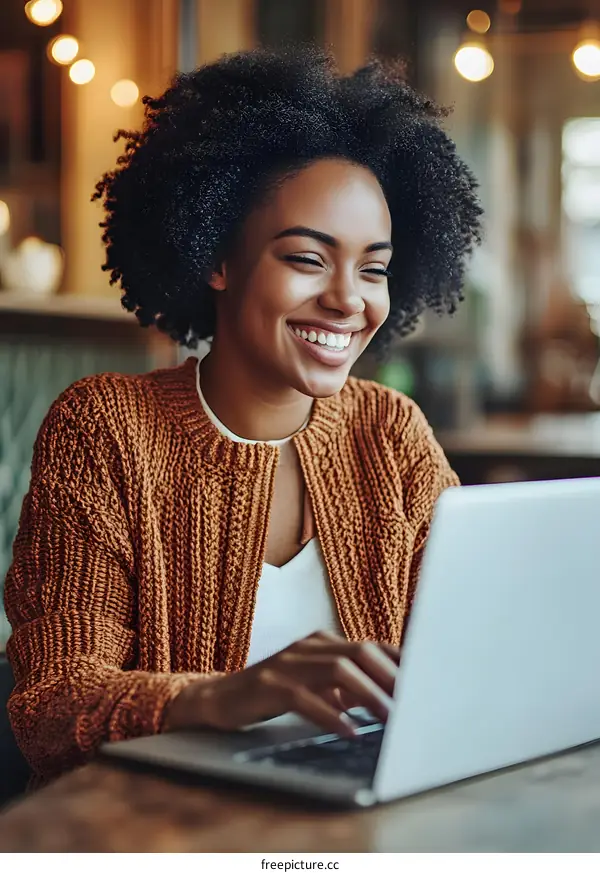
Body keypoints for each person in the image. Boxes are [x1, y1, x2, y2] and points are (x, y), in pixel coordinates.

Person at [4, 46, 482, 785]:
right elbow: (51, 705)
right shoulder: (105, 429)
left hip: (354, 826)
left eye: (374, 267)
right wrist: (229, 694)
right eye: (307, 258)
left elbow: (474, 662)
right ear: (218, 257)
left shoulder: (393, 435)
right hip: (154, 835)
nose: (350, 300)